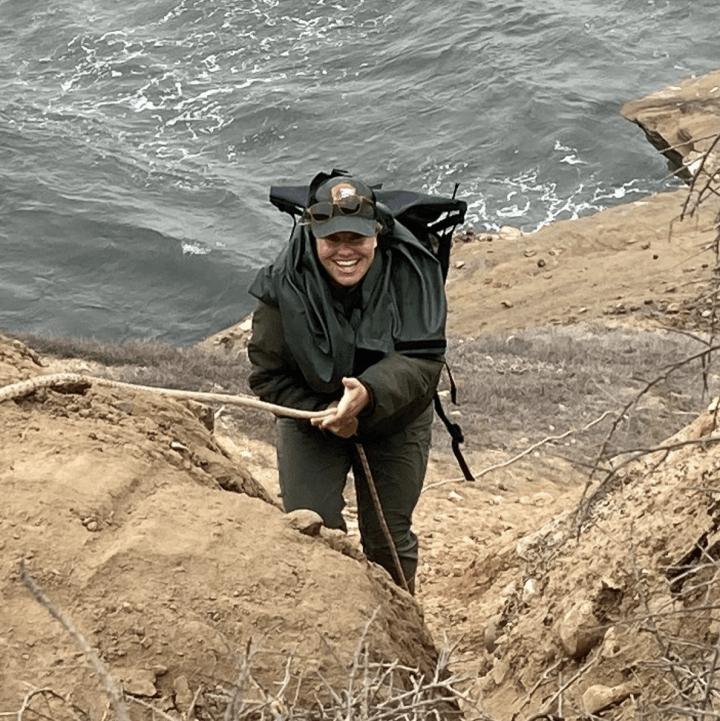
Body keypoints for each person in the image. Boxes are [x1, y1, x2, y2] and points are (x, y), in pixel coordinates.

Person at [246, 170, 447, 594]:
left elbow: (424, 361)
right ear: (311, 232)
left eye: (356, 238)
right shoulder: (284, 281)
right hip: (313, 414)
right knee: (310, 528)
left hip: (396, 415)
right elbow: (267, 373)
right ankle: (328, 618)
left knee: (388, 537)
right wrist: (327, 415)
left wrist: (368, 395)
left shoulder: (412, 271)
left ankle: (402, 630)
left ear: (376, 232)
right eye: (331, 239)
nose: (344, 251)